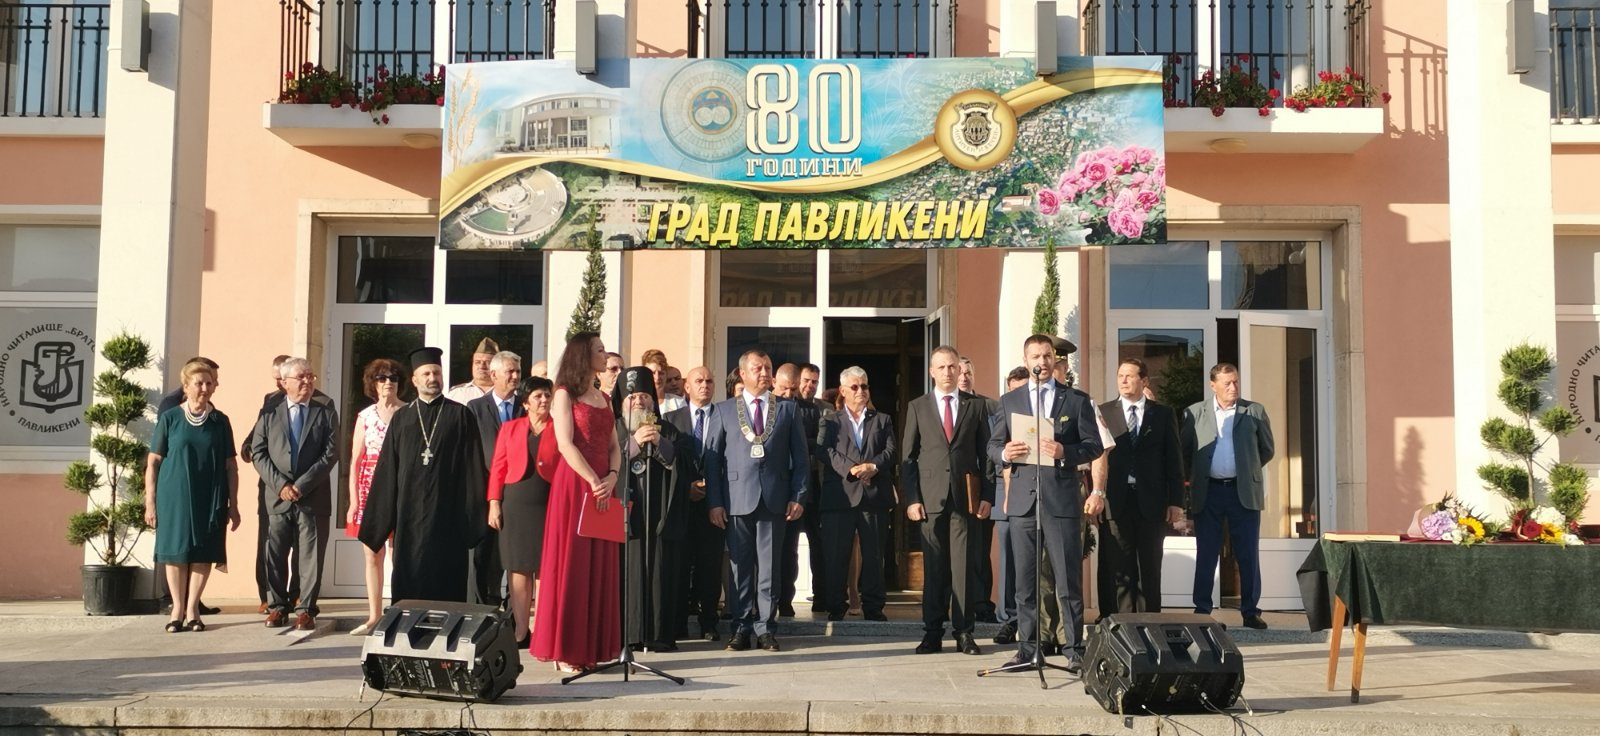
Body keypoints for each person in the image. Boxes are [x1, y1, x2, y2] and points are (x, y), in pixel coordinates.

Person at [987, 334, 1103, 672]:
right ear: (1026, 361)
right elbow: (992, 446)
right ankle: (1027, 648)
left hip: (1061, 500)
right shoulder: (1010, 401)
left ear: (1056, 360)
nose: (1042, 362)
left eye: (1048, 356)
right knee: (1025, 582)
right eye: (1036, 356)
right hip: (1023, 501)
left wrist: (1065, 452)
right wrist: (1005, 453)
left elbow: (1094, 446)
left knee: (1067, 580)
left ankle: (1074, 649)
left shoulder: (1076, 400)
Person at [358, 347, 488, 602]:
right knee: (410, 576)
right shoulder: (402, 418)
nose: (433, 378)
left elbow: (473, 467)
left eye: (436, 373)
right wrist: (378, 522)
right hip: (409, 515)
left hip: (448, 515)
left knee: (447, 578)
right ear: (415, 380)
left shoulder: (460, 415)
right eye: (426, 373)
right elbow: (387, 471)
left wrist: (473, 517)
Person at [703, 349, 809, 653]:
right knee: (740, 567)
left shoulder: (787, 409)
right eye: (757, 368)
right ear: (742, 374)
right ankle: (740, 628)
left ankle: (766, 628)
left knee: (770, 567)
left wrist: (798, 495)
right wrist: (715, 502)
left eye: (767, 368)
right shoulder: (723, 410)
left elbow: (801, 458)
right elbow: (712, 461)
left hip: (774, 499)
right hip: (736, 499)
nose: (764, 373)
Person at [533, 333, 624, 672]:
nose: (605, 355)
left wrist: (612, 476)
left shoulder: (604, 398)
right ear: (583, 355)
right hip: (574, 485)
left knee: (599, 565)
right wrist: (592, 479)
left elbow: (614, 445)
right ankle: (566, 649)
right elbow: (565, 444)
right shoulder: (563, 394)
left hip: (604, 486)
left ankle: (593, 647)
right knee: (573, 564)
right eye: (599, 350)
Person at [902, 347, 992, 655]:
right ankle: (932, 632)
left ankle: (964, 632)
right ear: (932, 372)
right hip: (930, 499)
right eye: (941, 367)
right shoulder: (918, 407)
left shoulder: (975, 406)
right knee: (934, 567)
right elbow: (908, 457)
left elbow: (985, 456)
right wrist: (912, 499)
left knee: (964, 568)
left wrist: (987, 496)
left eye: (952, 366)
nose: (948, 372)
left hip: (965, 498)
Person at [145, 358, 240, 633]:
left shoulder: (220, 421)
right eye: (199, 383)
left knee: (203, 551)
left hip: (210, 494)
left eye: (209, 383)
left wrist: (234, 504)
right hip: (173, 495)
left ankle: (193, 609)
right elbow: (153, 462)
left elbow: (231, 466)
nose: (205, 388)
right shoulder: (171, 418)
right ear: (186, 387)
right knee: (176, 551)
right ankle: (176, 609)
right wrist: (150, 502)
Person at [1183, 362, 1275, 630]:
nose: (1233, 387)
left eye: (1235, 382)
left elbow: (1267, 449)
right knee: (1207, 552)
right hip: (1208, 492)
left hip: (1242, 491)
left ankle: (1250, 611)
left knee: (1247, 553)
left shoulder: (1254, 411)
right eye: (1227, 383)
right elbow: (1185, 452)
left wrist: (1246, 469)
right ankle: (1202, 610)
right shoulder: (1194, 412)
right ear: (1213, 385)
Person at [250, 358, 340, 630]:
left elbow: (331, 453)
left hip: (312, 498)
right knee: (274, 554)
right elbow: (258, 451)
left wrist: (301, 485)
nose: (307, 382)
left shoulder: (325, 411)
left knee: (310, 557)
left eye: (310, 376)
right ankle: (277, 607)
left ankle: (306, 609)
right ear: (284, 382)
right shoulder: (270, 411)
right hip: (277, 498)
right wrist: (281, 485)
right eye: (301, 377)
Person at [614, 367, 694, 652]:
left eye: (644, 396)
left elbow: (685, 465)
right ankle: (626, 635)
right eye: (632, 397)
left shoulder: (669, 430)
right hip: (624, 518)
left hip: (659, 518)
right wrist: (634, 444)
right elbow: (605, 462)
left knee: (660, 572)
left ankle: (658, 634)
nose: (639, 401)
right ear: (621, 401)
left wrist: (661, 444)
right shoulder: (612, 429)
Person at [1098, 358, 1186, 615]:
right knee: (1119, 567)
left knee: (1150, 566)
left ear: (1144, 380)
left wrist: (1176, 501)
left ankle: (1149, 624)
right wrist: (1096, 495)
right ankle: (1123, 624)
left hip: (1152, 501)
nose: (1123, 380)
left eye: (1130, 376)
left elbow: (1174, 460)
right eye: (1120, 376)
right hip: (1116, 501)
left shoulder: (1163, 414)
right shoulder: (1103, 412)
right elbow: (1096, 458)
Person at [818, 366, 895, 623]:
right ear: (842, 390)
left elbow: (891, 451)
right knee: (836, 554)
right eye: (855, 386)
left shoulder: (882, 420)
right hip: (840, 497)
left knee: (874, 555)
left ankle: (873, 606)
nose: (861, 390)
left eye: (864, 386)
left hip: (873, 497)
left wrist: (872, 466)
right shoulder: (830, 420)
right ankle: (835, 605)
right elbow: (823, 450)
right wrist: (851, 469)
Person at [487, 376, 555, 649]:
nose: (544, 400)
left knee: (545, 570)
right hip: (515, 505)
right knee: (518, 567)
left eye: (547, 395)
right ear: (525, 403)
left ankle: (543, 631)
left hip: (549, 503)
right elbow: (498, 467)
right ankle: (520, 631)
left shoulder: (561, 427)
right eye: (538, 396)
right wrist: (494, 502)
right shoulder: (510, 428)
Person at [663, 366, 725, 641]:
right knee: (678, 564)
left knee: (709, 565)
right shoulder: (671, 420)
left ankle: (709, 622)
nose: (705, 385)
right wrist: (685, 488)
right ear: (687, 387)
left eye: (709, 381)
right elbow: (667, 461)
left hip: (714, 503)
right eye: (699, 381)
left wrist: (713, 489)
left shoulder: (724, 416)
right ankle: (677, 623)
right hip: (681, 502)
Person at [347, 358, 405, 635]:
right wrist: (354, 501)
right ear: (373, 383)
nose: (388, 382)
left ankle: (399, 614)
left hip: (400, 488)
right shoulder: (365, 416)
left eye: (393, 377)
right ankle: (374, 616)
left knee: (399, 554)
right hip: (369, 488)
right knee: (372, 553)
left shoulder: (408, 412)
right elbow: (355, 461)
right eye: (381, 378)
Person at [466, 350, 524, 606]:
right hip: (484, 492)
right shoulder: (475, 408)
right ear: (494, 374)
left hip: (519, 492)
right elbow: (471, 451)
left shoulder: (526, 406)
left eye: (518, 371)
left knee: (515, 556)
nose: (515, 376)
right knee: (484, 556)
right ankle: (483, 610)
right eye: (510, 371)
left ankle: (513, 611)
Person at [771, 361, 820, 618]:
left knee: (789, 549)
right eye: (784, 389)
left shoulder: (808, 410)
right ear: (774, 384)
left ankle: (785, 599)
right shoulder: (765, 408)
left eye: (793, 389)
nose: (789, 394)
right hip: (769, 488)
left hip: (796, 489)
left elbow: (816, 443)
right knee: (768, 549)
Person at [957, 355, 999, 625]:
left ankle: (982, 605)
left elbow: (992, 453)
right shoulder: (941, 406)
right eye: (959, 372)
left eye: (968, 372)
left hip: (980, 488)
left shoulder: (990, 406)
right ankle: (955, 604)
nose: (963, 377)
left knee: (980, 551)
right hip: (951, 488)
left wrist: (988, 493)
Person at [991, 365, 1030, 645]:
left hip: (1035, 491)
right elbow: (992, 451)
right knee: (1008, 560)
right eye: (1014, 390)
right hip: (1004, 492)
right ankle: (1008, 619)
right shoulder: (1001, 411)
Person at [798, 362, 832, 613]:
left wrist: (805, 441)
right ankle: (783, 600)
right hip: (794, 485)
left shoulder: (826, 409)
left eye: (814, 382)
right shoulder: (785, 406)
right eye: (806, 381)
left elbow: (825, 445)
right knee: (787, 545)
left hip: (819, 484)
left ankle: (822, 596)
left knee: (820, 543)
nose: (810, 386)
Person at [447, 337, 499, 404]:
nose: (481, 366)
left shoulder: (507, 392)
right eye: (477, 362)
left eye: (488, 362)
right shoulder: (457, 393)